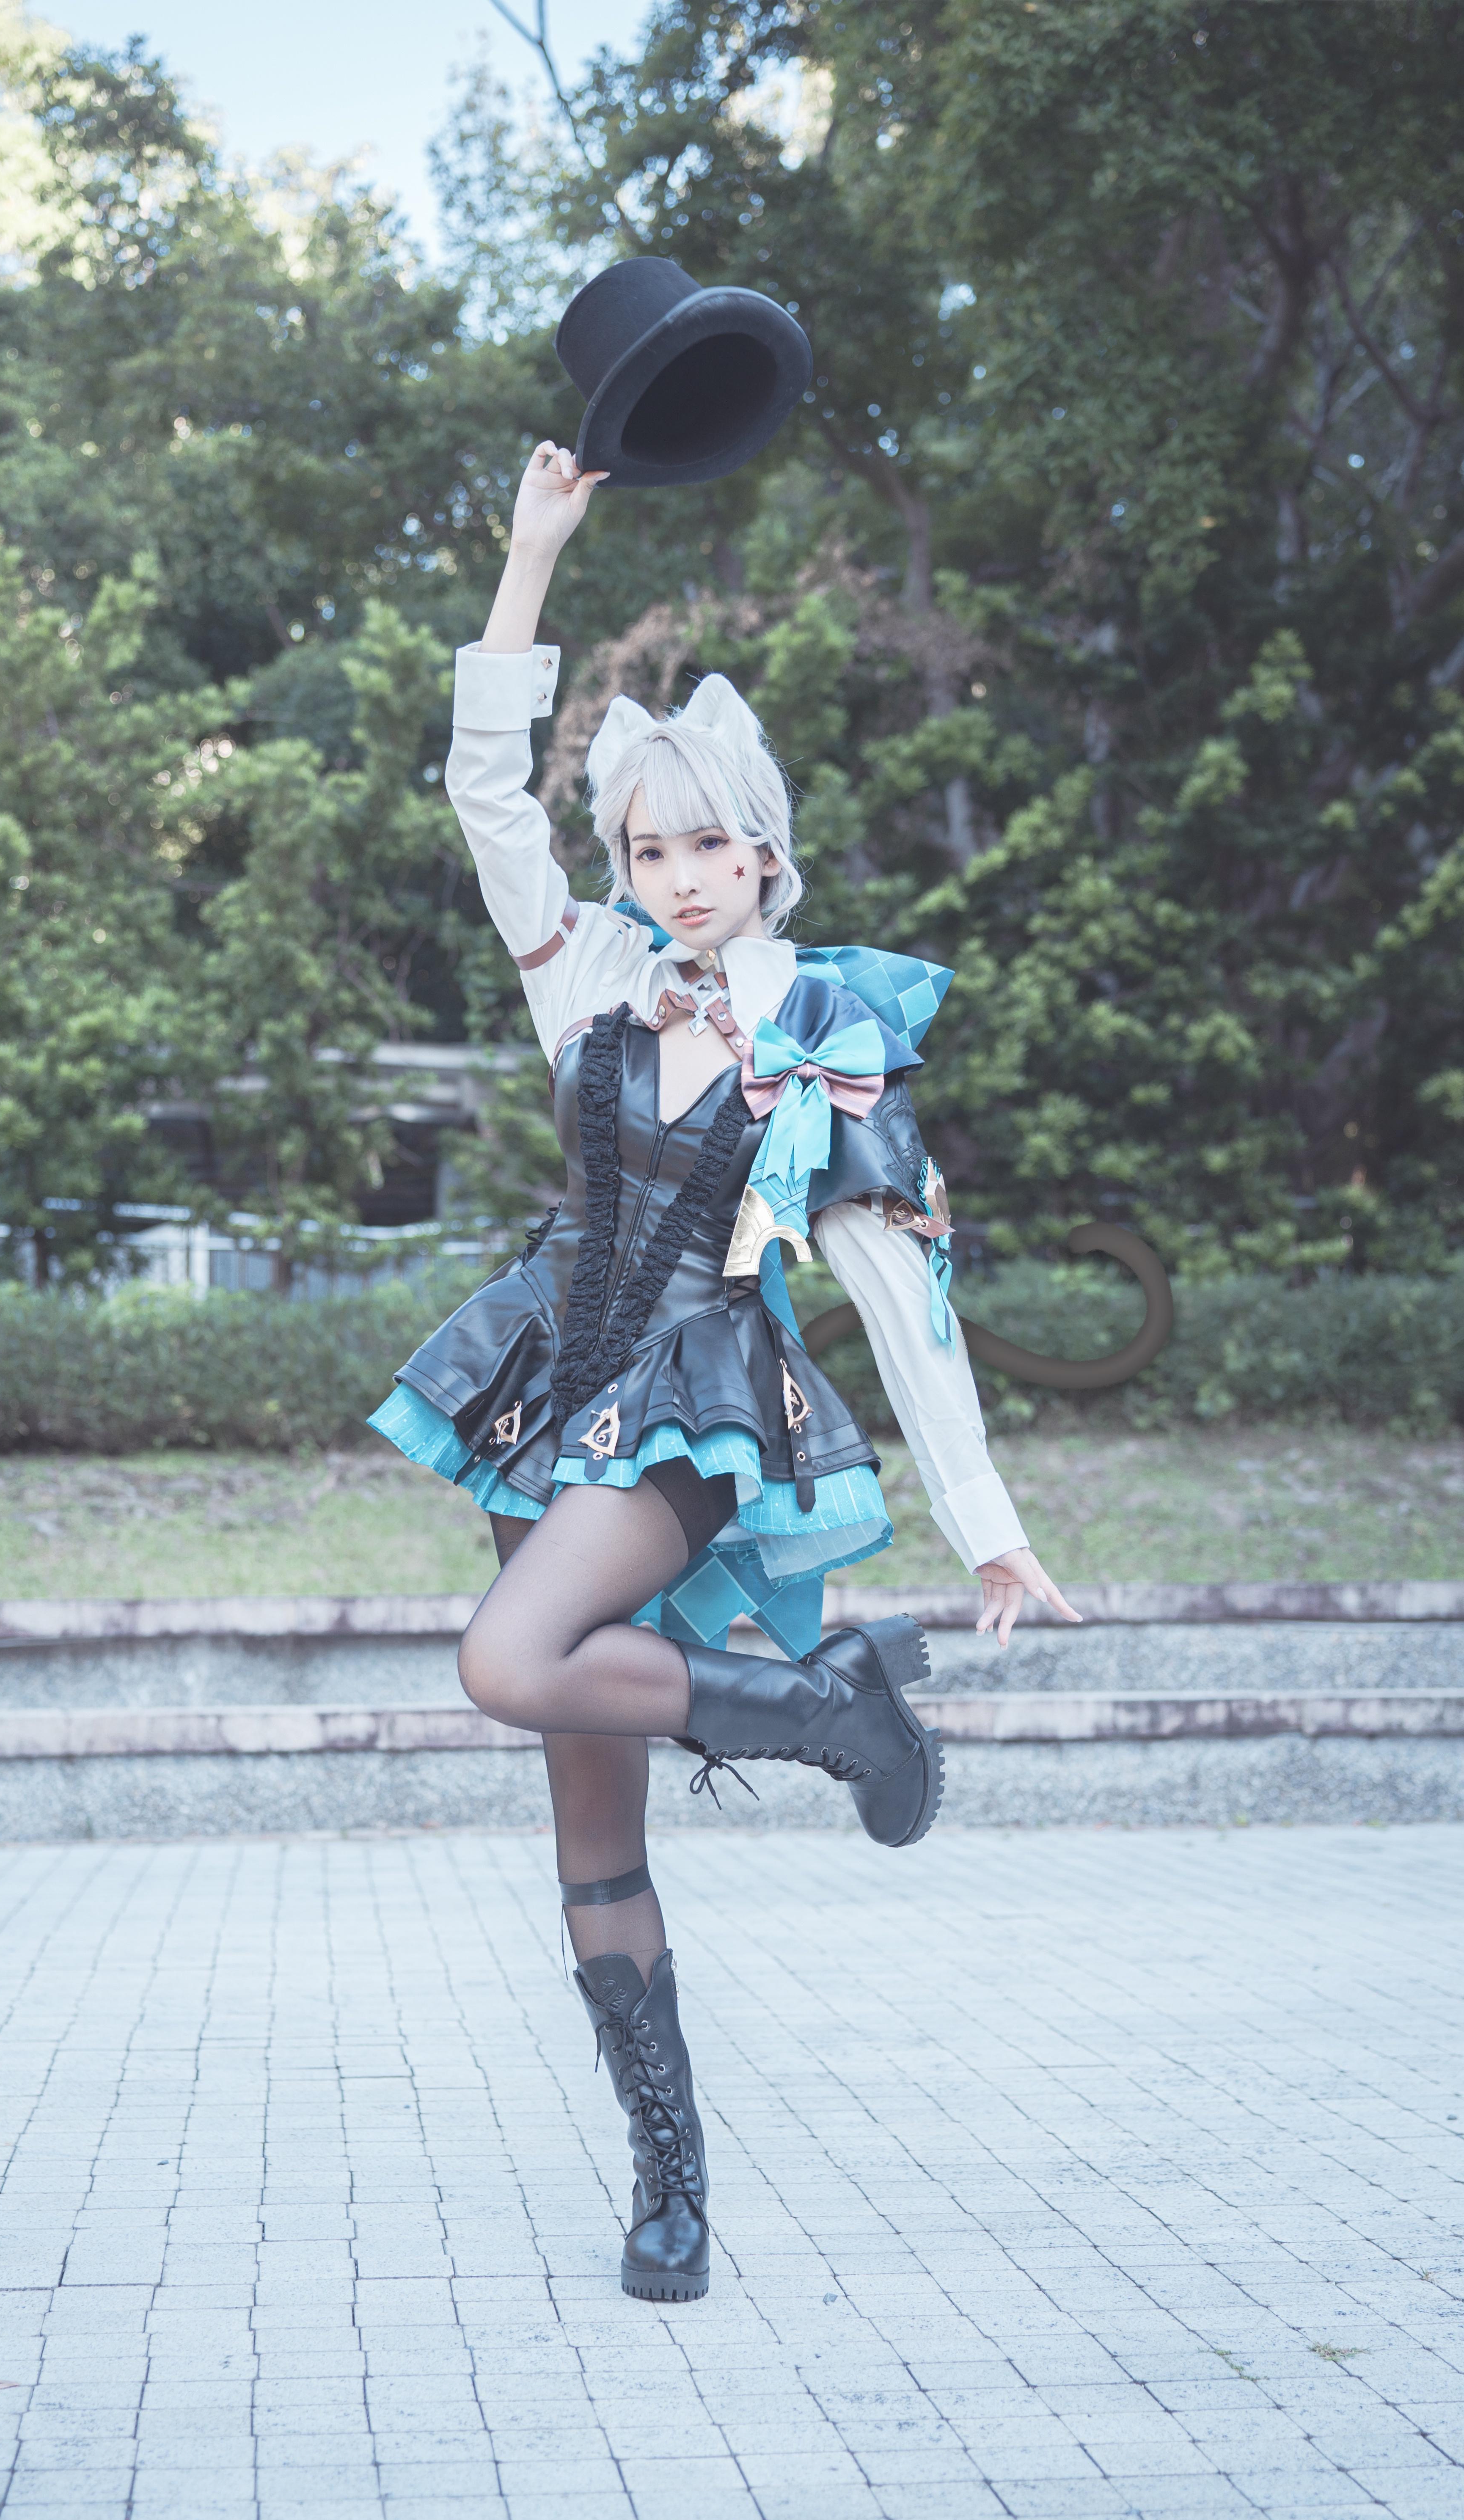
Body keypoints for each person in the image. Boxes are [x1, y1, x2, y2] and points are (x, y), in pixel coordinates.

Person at [371, 440, 1081, 2305]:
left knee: (505, 1662)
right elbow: (481, 796)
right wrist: (529, 558)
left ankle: (832, 1708)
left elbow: (901, 1290)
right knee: (590, 1829)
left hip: (694, 1403)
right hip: (553, 1393)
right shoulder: (589, 976)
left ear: (766, 852)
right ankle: (667, 2181)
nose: (677, 878)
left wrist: (987, 1524)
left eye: (708, 846)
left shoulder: (826, 1036)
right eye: (648, 848)